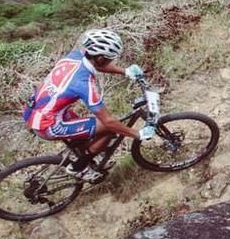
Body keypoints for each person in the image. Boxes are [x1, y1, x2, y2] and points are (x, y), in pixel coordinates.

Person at [24, 28, 155, 181]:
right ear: (100, 58)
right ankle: (79, 167)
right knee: (110, 129)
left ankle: (86, 156)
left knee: (88, 132)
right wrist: (137, 134)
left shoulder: (75, 56)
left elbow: (97, 65)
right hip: (48, 124)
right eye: (110, 58)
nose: (112, 61)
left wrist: (125, 72)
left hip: (34, 110)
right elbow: (109, 121)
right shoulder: (83, 84)